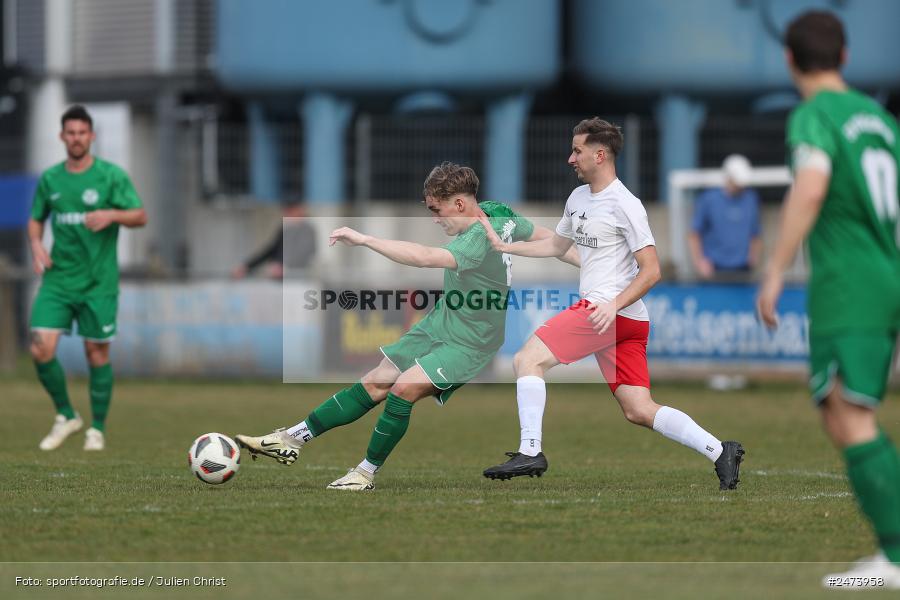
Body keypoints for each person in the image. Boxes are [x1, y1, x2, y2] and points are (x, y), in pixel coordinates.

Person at [236, 162, 579, 490]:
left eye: (436, 209)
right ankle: (290, 439)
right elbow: (549, 237)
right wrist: (587, 261)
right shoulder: (497, 212)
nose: (434, 218)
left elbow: (424, 257)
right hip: (442, 321)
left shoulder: (475, 239)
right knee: (375, 382)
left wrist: (367, 240)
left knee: (402, 390)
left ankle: (364, 473)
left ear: (459, 203)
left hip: (471, 341)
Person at [478, 117, 745, 490]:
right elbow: (557, 246)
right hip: (623, 321)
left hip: (607, 314)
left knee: (527, 359)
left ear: (599, 154)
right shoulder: (577, 199)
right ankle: (720, 450)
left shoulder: (626, 205)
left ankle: (530, 450)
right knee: (638, 408)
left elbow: (651, 271)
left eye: (577, 151)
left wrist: (612, 305)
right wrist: (508, 247)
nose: (571, 159)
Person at [756, 11, 900, 589]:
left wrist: (774, 269)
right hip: (883, 274)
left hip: (849, 283)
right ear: (844, 57)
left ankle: (894, 555)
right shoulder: (883, 121)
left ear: (789, 60)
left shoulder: (814, 115)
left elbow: (811, 185)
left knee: (849, 413)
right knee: (840, 410)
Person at [28, 105, 147, 451]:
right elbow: (37, 218)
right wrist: (36, 244)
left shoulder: (111, 176)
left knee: (96, 353)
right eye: (71, 133)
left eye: (82, 133)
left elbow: (140, 215)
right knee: (40, 347)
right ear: (62, 137)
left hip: (99, 282)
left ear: (91, 136)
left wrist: (111, 214)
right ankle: (66, 415)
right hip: (58, 279)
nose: (77, 138)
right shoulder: (51, 179)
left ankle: (96, 428)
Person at [688, 154, 762, 280]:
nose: (740, 187)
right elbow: (694, 234)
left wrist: (753, 257)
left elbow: (755, 233)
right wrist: (700, 262)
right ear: (728, 178)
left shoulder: (751, 199)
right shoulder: (709, 199)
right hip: (714, 269)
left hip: (743, 269)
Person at [230, 202, 317, 279]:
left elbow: (304, 254)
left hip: (298, 280)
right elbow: (271, 250)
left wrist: (285, 268)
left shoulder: (308, 230)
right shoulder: (285, 229)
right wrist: (247, 267)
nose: (288, 215)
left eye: (291, 211)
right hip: (280, 279)